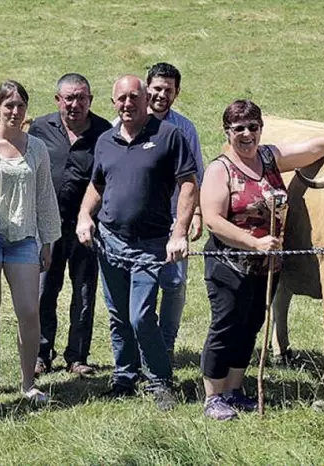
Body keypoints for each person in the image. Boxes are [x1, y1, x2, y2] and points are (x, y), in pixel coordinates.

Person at [199, 99, 324, 421]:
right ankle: (214, 397)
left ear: (260, 129)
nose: (246, 134)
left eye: (252, 127)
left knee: (251, 325)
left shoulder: (268, 158)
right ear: (227, 132)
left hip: (267, 266)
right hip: (230, 265)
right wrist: (252, 242)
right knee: (226, 327)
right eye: (238, 128)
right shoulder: (220, 169)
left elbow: (312, 148)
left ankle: (236, 391)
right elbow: (213, 220)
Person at [76, 75, 198, 411]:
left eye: (134, 97)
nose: (127, 104)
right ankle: (125, 378)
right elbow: (97, 185)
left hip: (151, 243)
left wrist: (180, 232)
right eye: (121, 99)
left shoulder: (168, 136)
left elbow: (188, 184)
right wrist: (85, 216)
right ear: (113, 102)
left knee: (141, 315)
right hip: (111, 240)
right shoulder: (105, 141)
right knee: (117, 314)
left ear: (145, 99)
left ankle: (160, 381)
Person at [0, 80, 61, 403]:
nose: (14, 111)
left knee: (28, 310)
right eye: (8, 105)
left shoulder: (36, 148)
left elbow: (45, 196)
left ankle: (27, 384)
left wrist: (47, 240)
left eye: (20, 105)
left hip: (24, 238)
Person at [28, 73, 111, 377]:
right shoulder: (39, 128)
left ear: (90, 99)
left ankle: (77, 356)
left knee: (85, 292)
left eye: (82, 98)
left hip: (88, 227)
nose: (75, 104)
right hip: (47, 226)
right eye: (69, 98)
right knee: (44, 291)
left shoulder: (104, 132)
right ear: (57, 100)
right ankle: (40, 354)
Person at [145, 62, 205, 360]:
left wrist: (195, 214)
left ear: (177, 93)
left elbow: (196, 177)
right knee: (141, 286)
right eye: (157, 88)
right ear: (147, 88)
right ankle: (142, 348)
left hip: (173, 220)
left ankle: (166, 345)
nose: (161, 94)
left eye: (168, 90)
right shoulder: (127, 123)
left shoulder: (185, 128)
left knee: (175, 284)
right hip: (138, 223)